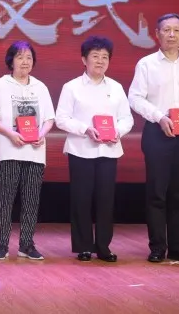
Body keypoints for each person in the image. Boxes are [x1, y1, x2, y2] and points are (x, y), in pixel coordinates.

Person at [128, 13, 179, 264]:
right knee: (157, 192)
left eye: (176, 30)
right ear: (157, 34)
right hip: (158, 133)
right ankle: (157, 247)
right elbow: (135, 97)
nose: (171, 34)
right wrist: (159, 117)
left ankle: (178, 247)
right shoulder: (146, 64)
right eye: (166, 30)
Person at [55, 36, 133, 262]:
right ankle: (83, 246)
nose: (100, 61)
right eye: (95, 56)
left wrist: (118, 131)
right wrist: (85, 129)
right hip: (81, 150)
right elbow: (62, 118)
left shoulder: (116, 87)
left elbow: (127, 118)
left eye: (105, 57)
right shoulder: (71, 87)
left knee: (106, 199)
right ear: (84, 59)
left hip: (109, 150)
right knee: (81, 199)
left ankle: (104, 246)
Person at [0, 41, 55, 261]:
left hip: (34, 152)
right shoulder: (0, 85)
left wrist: (41, 134)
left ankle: (27, 245)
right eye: (20, 57)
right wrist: (10, 134)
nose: (25, 62)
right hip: (9, 150)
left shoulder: (40, 87)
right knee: (5, 199)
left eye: (29, 58)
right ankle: (1, 245)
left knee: (31, 200)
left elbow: (49, 118)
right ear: (11, 61)